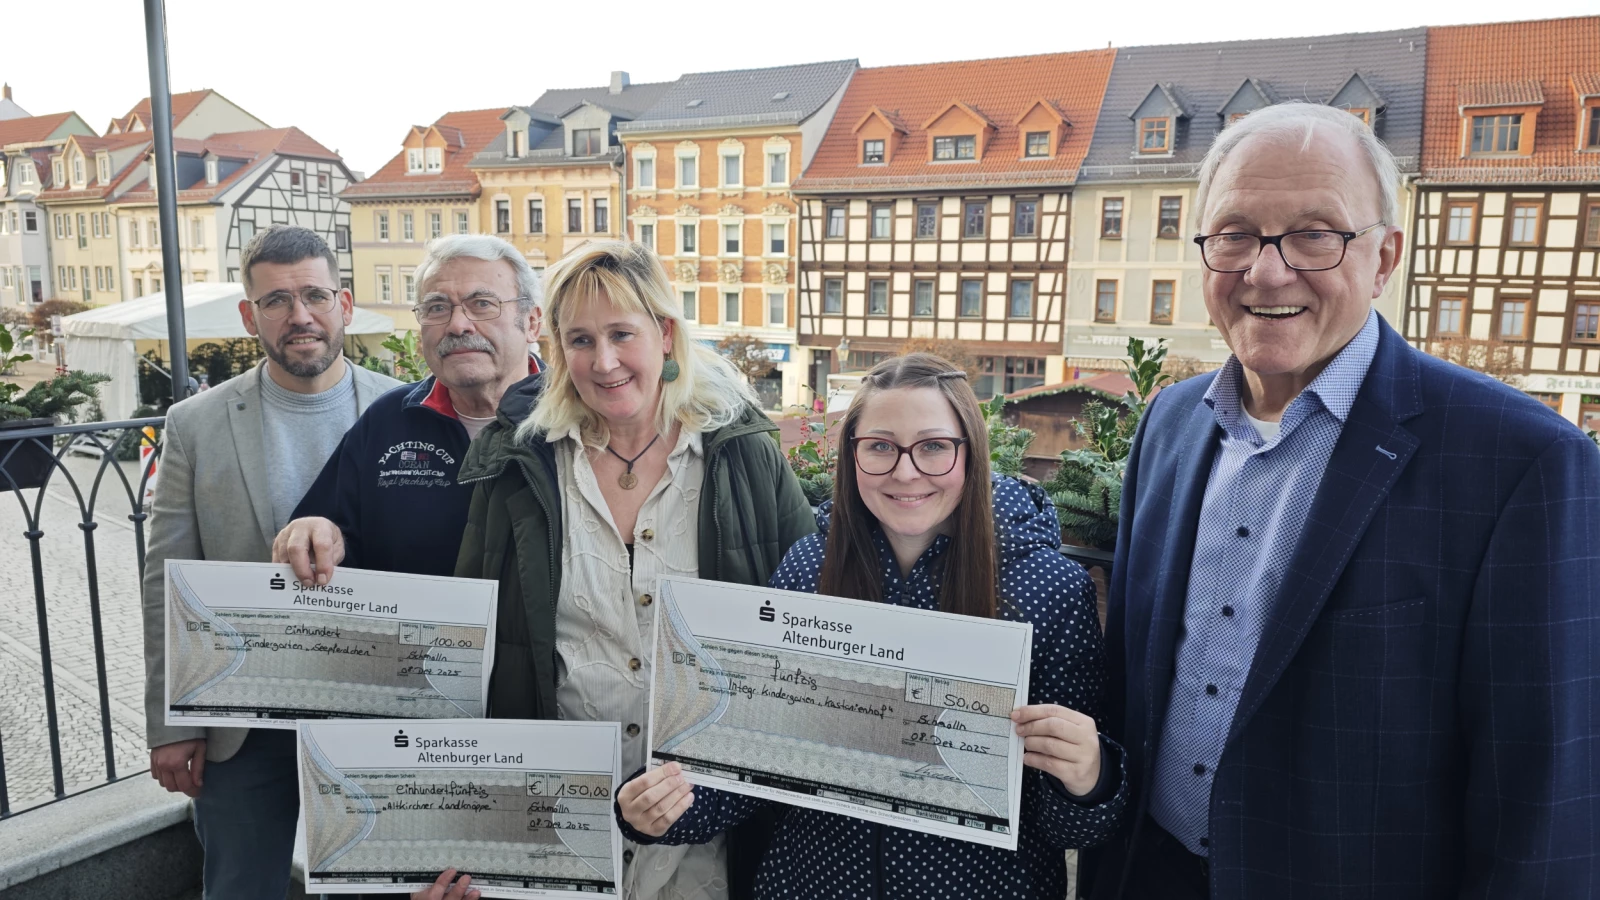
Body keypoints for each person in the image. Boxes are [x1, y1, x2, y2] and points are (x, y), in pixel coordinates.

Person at [1090, 102, 1600, 898]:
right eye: (1235, 234)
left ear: (1384, 256)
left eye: (1314, 234)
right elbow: (1132, 679)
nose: (1266, 271)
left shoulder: (1523, 462)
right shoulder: (1169, 422)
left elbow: (1542, 798)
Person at [616, 353, 1127, 899]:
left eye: (934, 446)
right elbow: (757, 763)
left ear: (971, 452)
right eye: (880, 446)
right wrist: (666, 807)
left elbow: (1074, 828)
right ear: (852, 455)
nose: (905, 472)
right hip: (810, 885)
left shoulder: (1049, 589)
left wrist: (1089, 780)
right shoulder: (808, 568)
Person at [414, 240, 816, 900]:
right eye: (580, 340)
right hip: (560, 824)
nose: (603, 362)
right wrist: (452, 827)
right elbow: (468, 653)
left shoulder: (743, 456)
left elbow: (805, 636)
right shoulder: (522, 465)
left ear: (665, 334)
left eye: (622, 334)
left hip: (705, 829)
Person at [140, 225, 401, 900]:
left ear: (344, 304)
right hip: (243, 724)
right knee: (239, 887)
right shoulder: (194, 423)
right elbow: (165, 581)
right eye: (277, 300)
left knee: (372, 890)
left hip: (376, 712)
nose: (299, 315)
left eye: (314, 295)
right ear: (249, 315)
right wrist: (172, 724)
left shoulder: (406, 412)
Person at [273, 234, 545, 583]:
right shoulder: (388, 421)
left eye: (482, 304)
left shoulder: (573, 420)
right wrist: (316, 531)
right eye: (437, 308)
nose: (457, 325)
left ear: (532, 322)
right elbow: (331, 533)